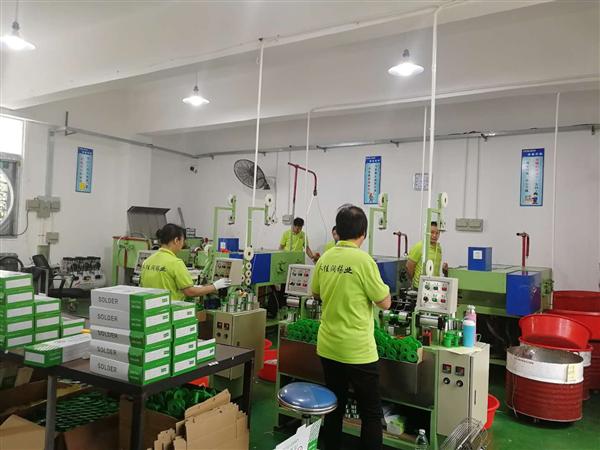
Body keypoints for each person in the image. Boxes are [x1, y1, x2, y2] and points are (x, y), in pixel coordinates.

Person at [311, 205, 391, 450]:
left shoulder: (325, 259)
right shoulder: (364, 261)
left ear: (338, 230)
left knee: (334, 406)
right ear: (363, 233)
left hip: (328, 346)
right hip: (358, 351)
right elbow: (385, 302)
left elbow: (316, 293)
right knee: (371, 412)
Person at [141, 223, 231, 301]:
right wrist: (215, 286)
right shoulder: (175, 263)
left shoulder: (147, 261)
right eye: (183, 241)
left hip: (150, 309)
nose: (183, 245)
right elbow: (190, 292)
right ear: (176, 240)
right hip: (170, 310)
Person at [406, 221, 448, 289]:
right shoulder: (419, 246)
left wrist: (445, 270)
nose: (434, 235)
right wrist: (414, 282)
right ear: (427, 232)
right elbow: (409, 266)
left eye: (437, 233)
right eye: (432, 232)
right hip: (420, 287)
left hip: (434, 287)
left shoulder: (438, 248)